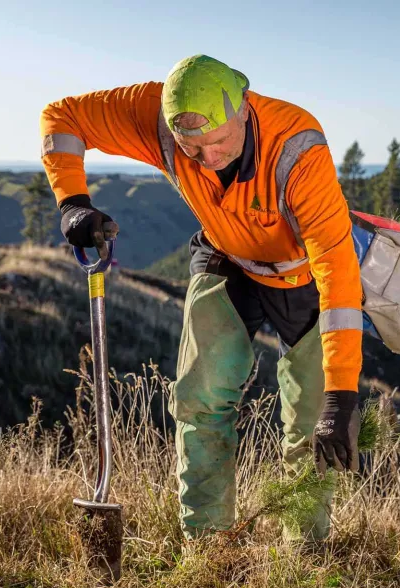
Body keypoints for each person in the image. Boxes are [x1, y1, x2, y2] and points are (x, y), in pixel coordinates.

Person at [40, 54, 363, 542]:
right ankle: (208, 548)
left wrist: (342, 395)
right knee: (201, 400)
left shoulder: (297, 147)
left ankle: (306, 559)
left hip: (302, 276)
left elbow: (337, 274)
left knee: (312, 423)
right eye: (191, 149)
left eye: (218, 143)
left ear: (244, 108)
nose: (208, 159)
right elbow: (61, 117)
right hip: (225, 256)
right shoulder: (152, 114)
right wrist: (72, 203)